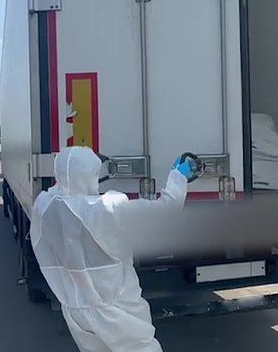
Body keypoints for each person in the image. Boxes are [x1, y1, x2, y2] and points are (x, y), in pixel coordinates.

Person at [30, 146, 197, 352]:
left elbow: (62, 193)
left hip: (75, 309)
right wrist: (178, 177)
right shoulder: (106, 209)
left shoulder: (45, 207)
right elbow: (166, 209)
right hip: (116, 309)